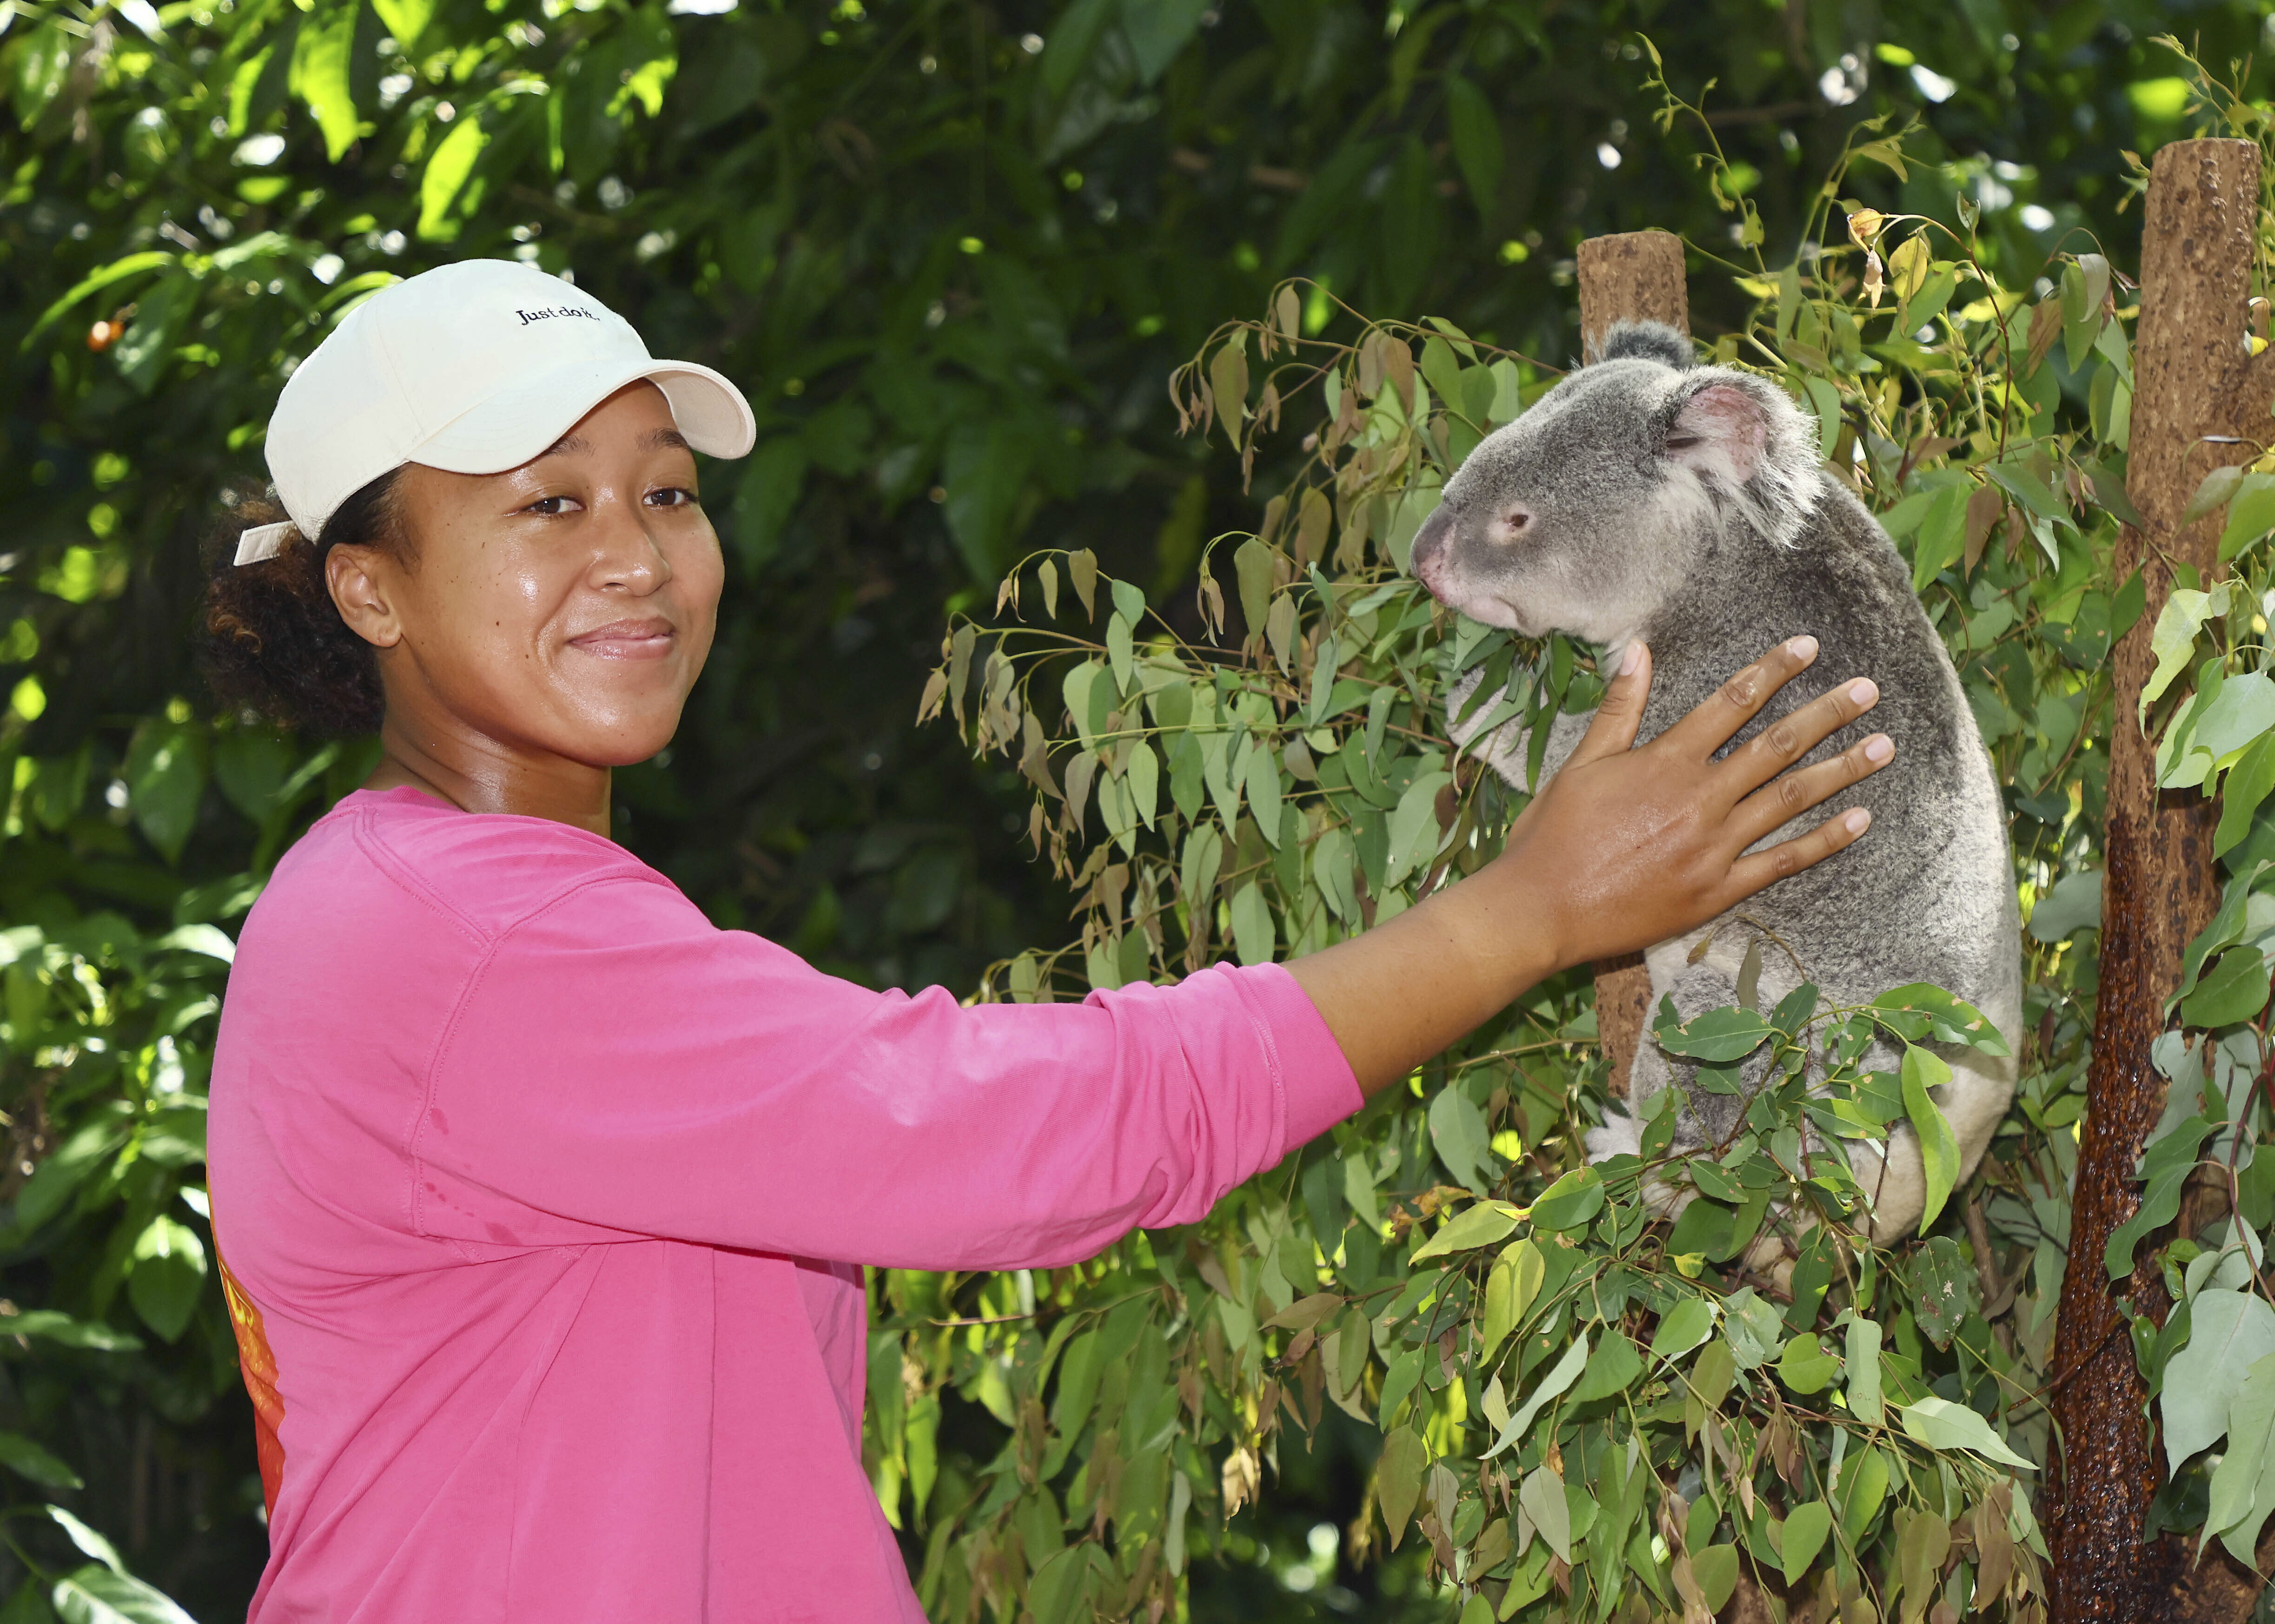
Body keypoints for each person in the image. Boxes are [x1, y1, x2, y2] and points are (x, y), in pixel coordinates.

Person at [200, 259, 1891, 1621]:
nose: (639, 557)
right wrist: (1527, 910)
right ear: (372, 588)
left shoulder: (465, 909)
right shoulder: (461, 941)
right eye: (546, 508)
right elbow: (1027, 1126)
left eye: (664, 493)